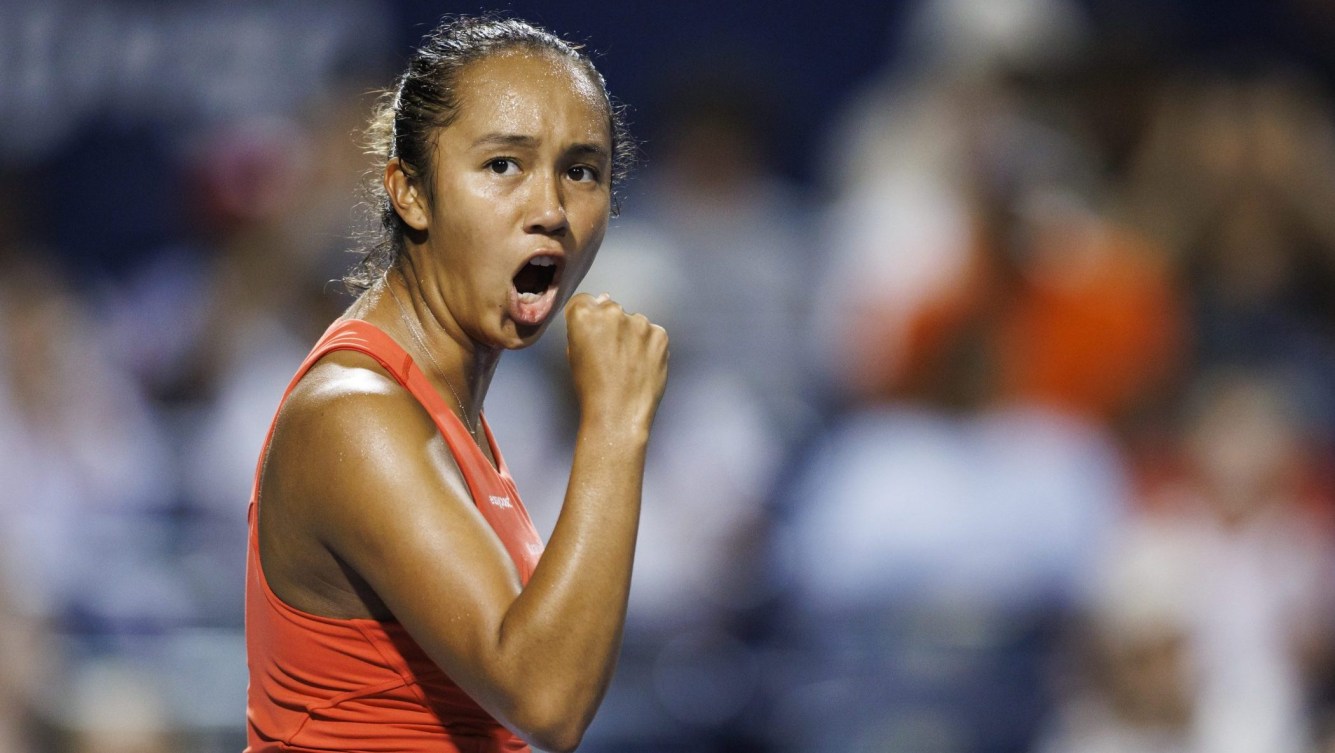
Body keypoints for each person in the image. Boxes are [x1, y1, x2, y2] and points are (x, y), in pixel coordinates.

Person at [243, 16, 668, 753]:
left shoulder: (441, 408)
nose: (550, 210)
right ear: (410, 192)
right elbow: (546, 698)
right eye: (503, 165)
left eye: (581, 170)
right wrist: (613, 422)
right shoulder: (356, 416)